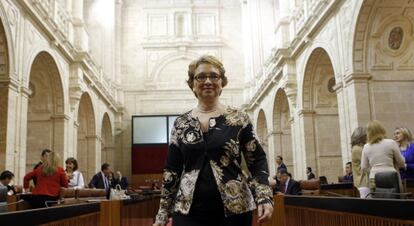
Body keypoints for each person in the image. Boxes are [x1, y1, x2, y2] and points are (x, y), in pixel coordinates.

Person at [153, 55, 273, 226]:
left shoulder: (239, 119)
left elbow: (257, 160)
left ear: (222, 82)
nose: (207, 81)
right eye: (201, 76)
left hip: (235, 211)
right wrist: (162, 213)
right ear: (192, 84)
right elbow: (172, 170)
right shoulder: (181, 123)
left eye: (214, 76)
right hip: (188, 212)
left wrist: (264, 197)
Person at [361, 120, 405, 191]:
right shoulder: (391, 143)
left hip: (374, 177)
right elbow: (401, 162)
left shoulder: (366, 147)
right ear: (382, 130)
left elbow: (363, 167)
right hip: (390, 176)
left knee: (377, 200)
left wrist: (373, 169)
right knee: (394, 200)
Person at [350, 127, 370, 198]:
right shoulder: (358, 149)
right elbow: (368, 163)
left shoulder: (357, 148)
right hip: (363, 182)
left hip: (362, 183)